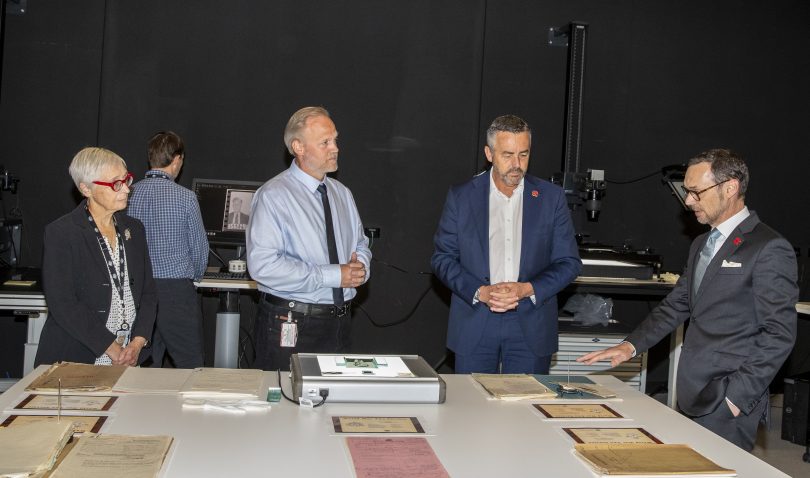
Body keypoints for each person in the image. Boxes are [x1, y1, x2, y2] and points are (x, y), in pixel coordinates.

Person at [578, 148, 798, 451]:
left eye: (696, 192)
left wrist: (736, 398)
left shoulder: (769, 248)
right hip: (694, 391)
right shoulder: (701, 244)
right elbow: (676, 304)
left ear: (730, 187)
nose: (688, 200)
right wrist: (630, 345)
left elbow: (779, 334)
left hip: (726, 399)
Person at [431, 114, 581, 374]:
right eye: (508, 155)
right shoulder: (462, 196)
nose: (517, 164)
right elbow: (442, 258)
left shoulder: (550, 198)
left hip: (531, 323)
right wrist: (481, 291)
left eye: (524, 154)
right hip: (475, 320)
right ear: (489, 153)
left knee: (526, 410)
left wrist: (527, 289)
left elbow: (569, 263)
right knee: (473, 410)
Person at [246, 106, 371, 371]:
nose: (335, 148)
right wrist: (334, 275)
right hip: (292, 322)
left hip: (339, 323)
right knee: (283, 407)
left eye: (335, 139)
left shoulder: (342, 193)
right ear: (298, 147)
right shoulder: (273, 196)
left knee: (334, 407)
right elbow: (262, 266)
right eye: (325, 142)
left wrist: (360, 266)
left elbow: (360, 242)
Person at [35, 147, 157, 366]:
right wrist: (111, 347)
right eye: (115, 184)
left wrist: (138, 343)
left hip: (130, 356)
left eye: (127, 180)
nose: (127, 190)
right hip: (78, 357)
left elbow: (148, 293)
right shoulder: (62, 233)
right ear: (86, 189)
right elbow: (63, 304)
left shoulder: (134, 229)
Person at [127, 131, 208, 368]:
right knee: (190, 365)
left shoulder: (128, 195)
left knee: (144, 364)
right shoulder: (186, 197)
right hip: (176, 291)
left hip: (138, 290)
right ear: (177, 159)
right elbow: (200, 248)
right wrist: (195, 278)